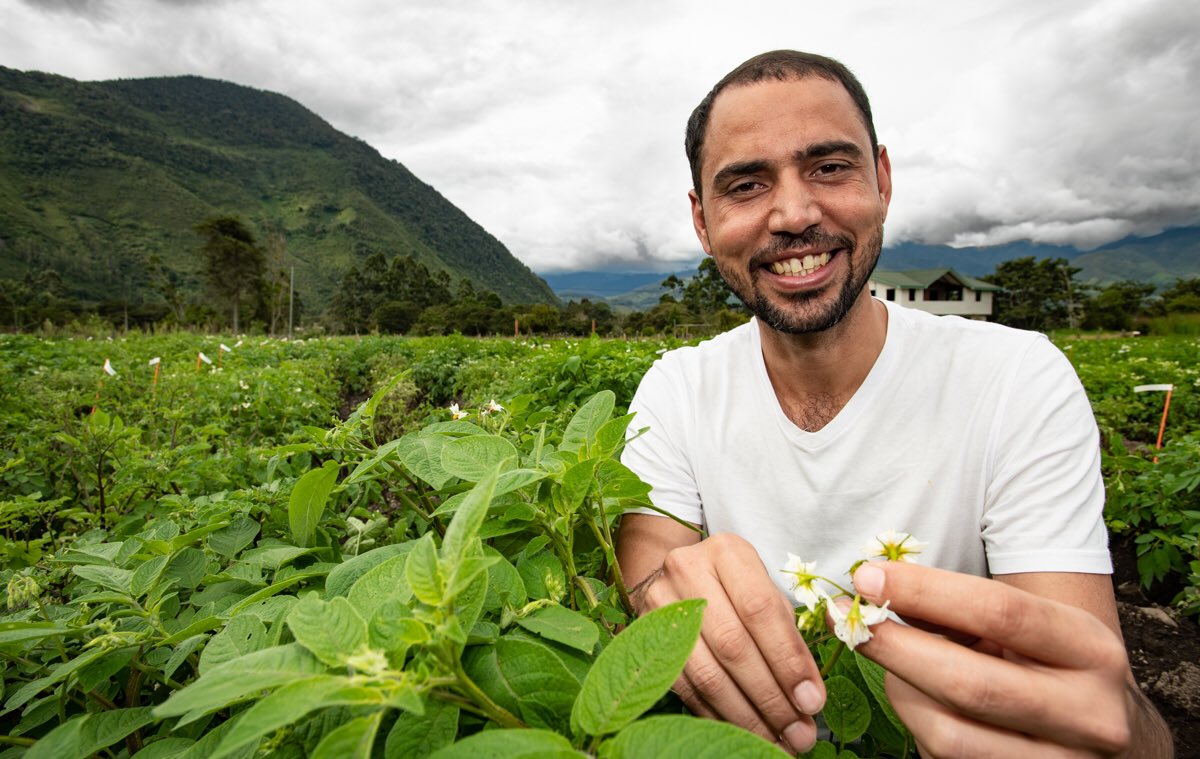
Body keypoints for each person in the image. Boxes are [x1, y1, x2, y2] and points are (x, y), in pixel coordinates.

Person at [616, 50, 1172, 757]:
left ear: (882, 179)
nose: (793, 214)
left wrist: (1122, 733)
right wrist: (663, 591)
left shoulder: (1014, 380)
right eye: (747, 184)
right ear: (702, 220)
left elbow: (1089, 697)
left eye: (829, 167)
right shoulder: (678, 387)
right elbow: (649, 575)